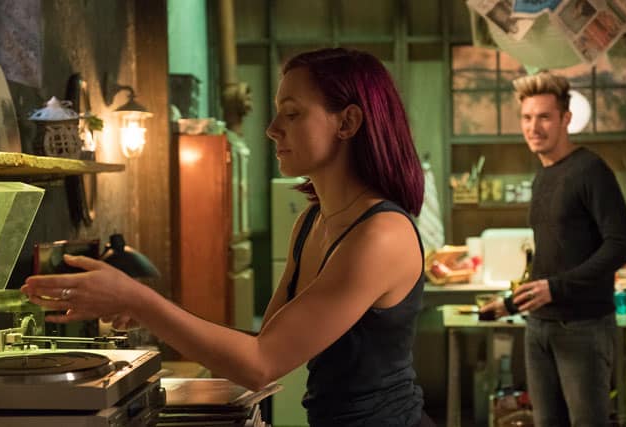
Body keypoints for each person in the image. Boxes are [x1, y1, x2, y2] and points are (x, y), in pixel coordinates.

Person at [22, 48, 435, 427]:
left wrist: (138, 300)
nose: (272, 129)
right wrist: (148, 312)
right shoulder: (312, 222)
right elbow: (264, 344)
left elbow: (261, 364)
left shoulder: (380, 235)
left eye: (291, 114)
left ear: (347, 122)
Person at [480, 70, 626, 426]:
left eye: (545, 117)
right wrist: (510, 304)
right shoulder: (542, 176)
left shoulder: (590, 170)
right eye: (527, 118)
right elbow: (552, 260)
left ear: (566, 118)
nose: (534, 127)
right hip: (538, 327)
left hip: (583, 327)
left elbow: (621, 244)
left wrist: (555, 288)